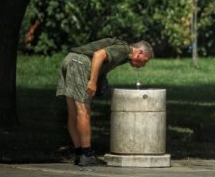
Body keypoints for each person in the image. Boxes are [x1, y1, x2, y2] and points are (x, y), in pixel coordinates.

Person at [56, 38, 154, 166]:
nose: (143, 65)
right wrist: (92, 81)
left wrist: (101, 79)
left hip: (70, 60)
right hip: (80, 63)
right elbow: (99, 55)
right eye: (144, 61)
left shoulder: (123, 55)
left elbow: (102, 61)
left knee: (73, 112)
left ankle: (79, 153)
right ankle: (87, 154)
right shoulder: (124, 50)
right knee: (83, 111)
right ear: (139, 53)